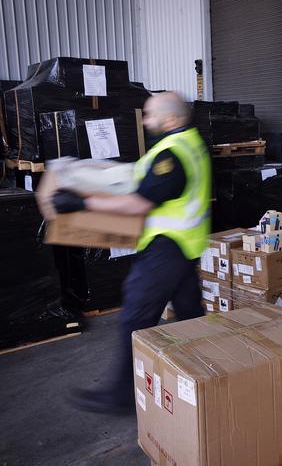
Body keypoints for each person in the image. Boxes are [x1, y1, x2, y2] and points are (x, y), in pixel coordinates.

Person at [52, 92, 212, 414]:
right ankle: (210, 379)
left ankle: (121, 396)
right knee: (190, 318)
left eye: (149, 115)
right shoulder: (189, 144)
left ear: (171, 119)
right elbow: (142, 180)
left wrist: (82, 203)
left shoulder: (172, 155)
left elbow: (138, 203)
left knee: (135, 318)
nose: (144, 120)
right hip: (183, 246)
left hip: (166, 248)